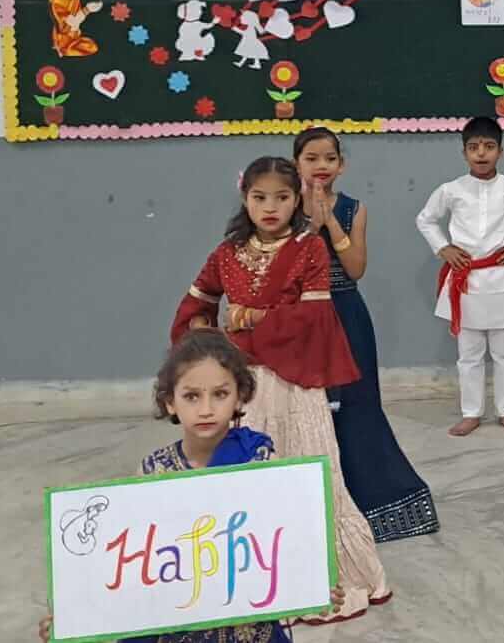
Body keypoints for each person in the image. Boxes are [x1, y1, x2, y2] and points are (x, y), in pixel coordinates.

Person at [170, 156, 390, 623]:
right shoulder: (227, 252)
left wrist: (250, 319)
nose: (270, 207)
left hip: (294, 382)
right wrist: (205, 334)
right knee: (249, 480)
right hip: (241, 388)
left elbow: (314, 318)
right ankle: (252, 585)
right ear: (244, 198)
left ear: (297, 200)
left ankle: (319, 581)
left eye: (282, 198)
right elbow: (197, 303)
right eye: (259, 197)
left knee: (306, 474)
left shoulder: (310, 248)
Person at [36, 330, 344, 642]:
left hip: (246, 627)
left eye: (220, 394)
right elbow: (128, 565)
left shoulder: (259, 460)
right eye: (192, 396)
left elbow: (283, 543)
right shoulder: (153, 472)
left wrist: (312, 586)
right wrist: (75, 617)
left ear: (239, 397)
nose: (206, 409)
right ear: (170, 402)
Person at [293, 127, 439, 542]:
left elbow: (355, 268)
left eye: (329, 158)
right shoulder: (283, 205)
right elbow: (287, 264)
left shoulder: (354, 209)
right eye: (311, 158)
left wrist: (330, 224)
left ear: (342, 165)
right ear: (296, 164)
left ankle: (374, 506)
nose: (321, 166)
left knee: (358, 406)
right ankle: (308, 509)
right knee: (306, 409)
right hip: (301, 318)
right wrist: (309, 224)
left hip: (346, 314)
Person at [415, 116, 504, 436]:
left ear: (501, 152)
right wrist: (443, 248)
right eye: (474, 147)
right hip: (466, 280)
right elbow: (425, 220)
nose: (481, 153)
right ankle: (471, 412)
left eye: (489, 147)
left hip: (503, 276)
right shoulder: (451, 190)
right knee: (469, 354)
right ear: (464, 152)